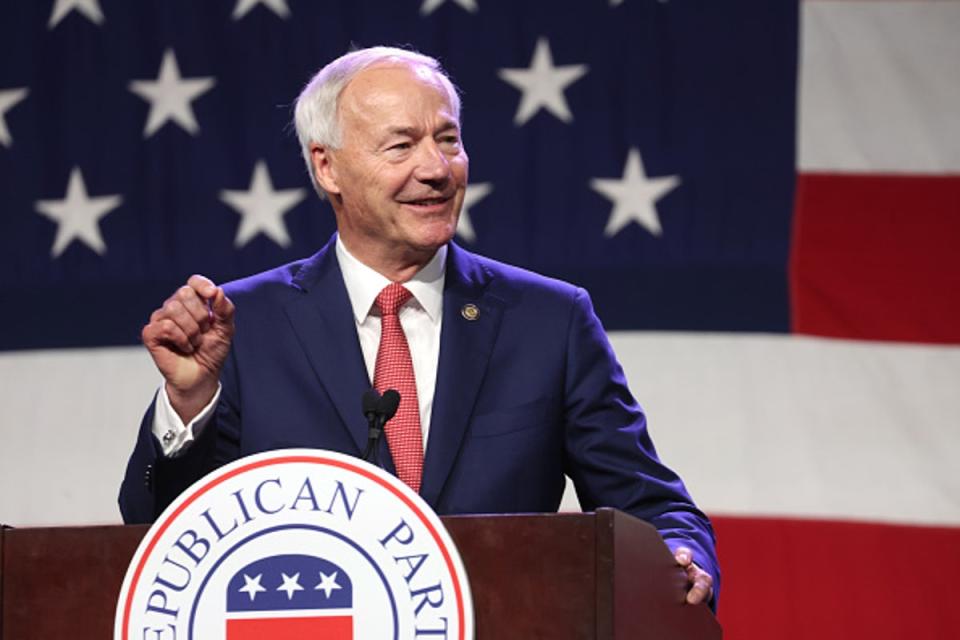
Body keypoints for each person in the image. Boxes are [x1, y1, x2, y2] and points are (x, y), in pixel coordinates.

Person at [119, 46, 718, 607]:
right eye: (400, 146)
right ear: (327, 167)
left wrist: (678, 555)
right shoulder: (245, 326)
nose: (436, 168)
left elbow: (648, 503)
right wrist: (189, 402)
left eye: (448, 140)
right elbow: (160, 532)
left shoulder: (548, 320)